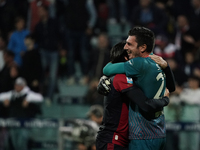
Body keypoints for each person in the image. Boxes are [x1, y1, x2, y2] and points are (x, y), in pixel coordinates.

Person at [102, 27, 175, 150]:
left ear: (142, 47)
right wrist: (167, 67)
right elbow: (171, 87)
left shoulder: (139, 63)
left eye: (129, 44)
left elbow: (106, 69)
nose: (125, 47)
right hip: (160, 132)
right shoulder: (157, 61)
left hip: (142, 135)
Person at [0, 77, 43, 150]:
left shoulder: (28, 94)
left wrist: (28, 100)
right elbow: (1, 96)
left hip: (24, 124)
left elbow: (40, 98)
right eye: (16, 85)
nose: (17, 86)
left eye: (19, 85)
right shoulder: (12, 94)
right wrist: (4, 101)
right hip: (12, 123)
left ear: (23, 86)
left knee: (21, 145)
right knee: (15, 144)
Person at [34, 4, 62, 103]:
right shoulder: (38, 26)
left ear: (46, 12)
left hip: (54, 52)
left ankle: (49, 97)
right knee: (40, 74)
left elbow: (60, 35)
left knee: (53, 76)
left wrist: (62, 48)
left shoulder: (54, 23)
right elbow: (36, 40)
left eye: (42, 11)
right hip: (43, 52)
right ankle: (40, 94)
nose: (40, 13)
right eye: (39, 11)